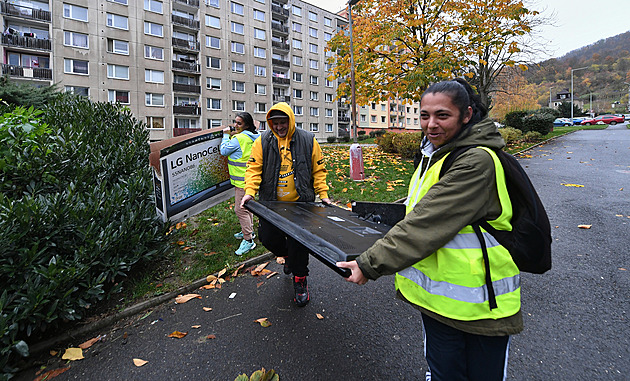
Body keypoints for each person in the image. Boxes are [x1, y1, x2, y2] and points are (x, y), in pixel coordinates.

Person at [337, 78, 522, 381]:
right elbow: (416, 213)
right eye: (425, 115)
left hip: (481, 304)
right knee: (443, 374)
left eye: (442, 115)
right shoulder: (434, 154)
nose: (431, 124)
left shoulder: (476, 160)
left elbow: (427, 223)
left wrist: (368, 264)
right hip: (440, 300)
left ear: (467, 115)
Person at [240, 102, 331, 307]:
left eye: (283, 123)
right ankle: (287, 256)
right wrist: (249, 193)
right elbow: (253, 169)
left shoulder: (307, 140)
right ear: (270, 124)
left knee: (299, 243)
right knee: (268, 238)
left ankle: (300, 279)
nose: (279, 127)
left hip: (300, 204)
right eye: (275, 123)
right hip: (272, 204)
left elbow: (318, 169)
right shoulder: (263, 141)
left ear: (290, 121)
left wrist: (323, 194)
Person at [220, 112, 260, 256]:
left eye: (239, 123)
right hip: (252, 179)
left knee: (240, 209)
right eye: (234, 122)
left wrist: (225, 135)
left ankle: (248, 240)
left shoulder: (239, 138)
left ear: (247, 125)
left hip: (243, 181)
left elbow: (224, 151)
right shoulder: (255, 136)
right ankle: (249, 231)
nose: (235, 125)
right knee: (248, 207)